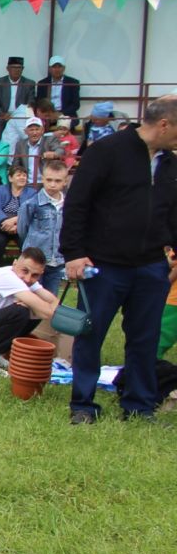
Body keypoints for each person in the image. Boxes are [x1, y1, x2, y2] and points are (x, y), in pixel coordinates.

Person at [62, 93, 177, 423]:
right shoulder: (108, 151)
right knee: (90, 335)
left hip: (151, 266)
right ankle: (83, 404)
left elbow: (173, 213)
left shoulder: (171, 163)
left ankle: (138, 405)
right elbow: (77, 204)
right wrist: (74, 254)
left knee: (145, 338)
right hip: (103, 264)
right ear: (164, 124)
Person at [18, 161, 69, 292]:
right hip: (35, 259)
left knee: (50, 298)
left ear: (65, 181)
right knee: (30, 296)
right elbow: (22, 229)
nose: (52, 184)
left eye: (58, 181)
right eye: (49, 180)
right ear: (43, 179)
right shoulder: (32, 203)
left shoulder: (69, 204)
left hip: (57, 260)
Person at [0, 163, 33, 269]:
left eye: (24, 175)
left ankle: (24, 270)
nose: (22, 177)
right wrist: (5, 221)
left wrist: (15, 221)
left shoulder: (32, 193)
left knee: (26, 244)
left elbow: (31, 211)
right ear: (10, 178)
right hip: (2, 225)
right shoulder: (1, 190)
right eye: (18, 175)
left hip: (22, 225)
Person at [0, 57, 34, 123]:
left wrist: (18, 115)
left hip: (21, 116)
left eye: (19, 67)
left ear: (22, 69)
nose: (16, 70)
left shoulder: (29, 84)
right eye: (13, 67)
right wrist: (2, 114)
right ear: (8, 68)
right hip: (2, 116)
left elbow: (31, 102)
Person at [39, 55, 81, 124]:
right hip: (47, 114)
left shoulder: (73, 82)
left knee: (67, 123)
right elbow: (40, 103)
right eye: (54, 67)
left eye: (59, 66)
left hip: (66, 114)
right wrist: (49, 114)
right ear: (49, 69)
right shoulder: (42, 83)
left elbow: (75, 104)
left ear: (64, 68)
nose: (57, 69)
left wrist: (60, 114)